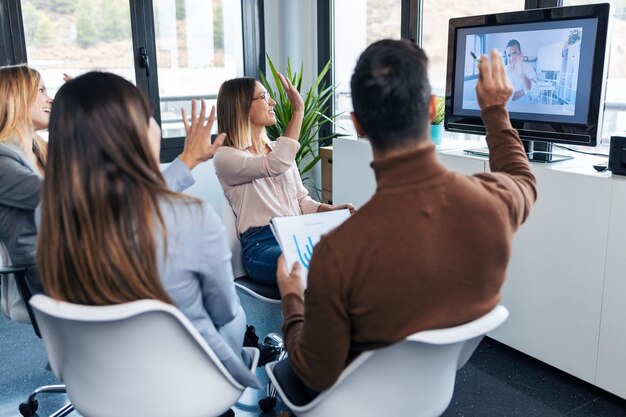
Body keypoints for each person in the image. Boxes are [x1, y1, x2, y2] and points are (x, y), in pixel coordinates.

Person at [273, 40, 537, 404]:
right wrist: (495, 111)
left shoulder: (337, 253)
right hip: (432, 396)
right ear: (431, 109)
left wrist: (291, 297)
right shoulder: (495, 202)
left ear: (358, 125)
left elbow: (316, 371)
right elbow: (523, 179)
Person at [36, 72, 261, 390]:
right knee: (235, 311)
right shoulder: (193, 217)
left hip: (101, 384)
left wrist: (185, 160)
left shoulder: (48, 214)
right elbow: (222, 310)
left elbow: (126, 208)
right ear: (133, 133)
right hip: (192, 385)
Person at [0, 64, 220, 297]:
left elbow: (110, 192)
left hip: (86, 256)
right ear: (15, 97)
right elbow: (82, 197)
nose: (51, 100)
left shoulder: (43, 151)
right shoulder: (3, 161)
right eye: (41, 90)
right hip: (54, 272)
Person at [213, 74, 353, 285]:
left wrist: (331, 209)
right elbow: (275, 165)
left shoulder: (280, 150)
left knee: (354, 253)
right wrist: (298, 111)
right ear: (241, 107)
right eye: (263, 96)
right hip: (262, 245)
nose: (272, 102)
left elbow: (300, 201)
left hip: (298, 235)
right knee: (315, 264)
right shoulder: (226, 156)